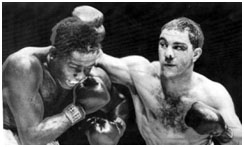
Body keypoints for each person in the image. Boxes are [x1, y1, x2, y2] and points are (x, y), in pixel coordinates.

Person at [93, 17, 242, 144]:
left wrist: (222, 131)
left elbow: (239, 141)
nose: (168, 54)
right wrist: (88, 33)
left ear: (195, 54)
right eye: (163, 44)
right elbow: (96, 58)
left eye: (178, 47)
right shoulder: (140, 73)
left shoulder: (212, 94)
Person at [3, 5, 128, 145]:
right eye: (74, 67)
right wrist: (80, 108)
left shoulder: (94, 77)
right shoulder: (24, 66)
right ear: (54, 55)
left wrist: (117, 127)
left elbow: (119, 102)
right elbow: (31, 139)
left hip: (45, 138)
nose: (81, 76)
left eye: (88, 68)